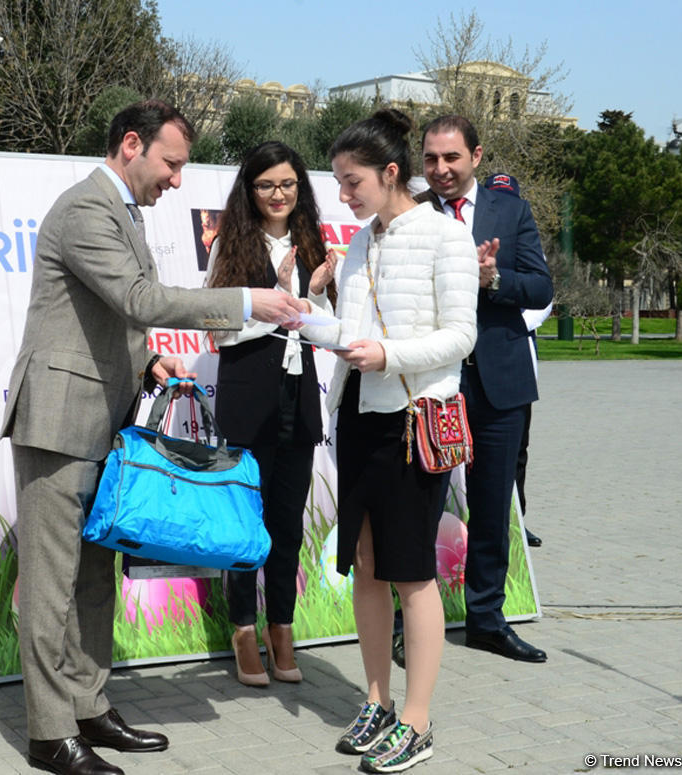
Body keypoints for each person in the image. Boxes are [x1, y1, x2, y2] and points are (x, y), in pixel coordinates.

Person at [0, 100, 303, 775]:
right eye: (170, 163)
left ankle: (88, 705)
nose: (175, 179)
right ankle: (50, 732)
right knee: (53, 584)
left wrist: (145, 361)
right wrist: (250, 300)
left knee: (94, 579)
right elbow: (138, 299)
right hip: (57, 419)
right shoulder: (86, 209)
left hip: (103, 419)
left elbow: (110, 316)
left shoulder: (123, 213)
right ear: (130, 144)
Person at [299, 108, 478, 773]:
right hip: (360, 421)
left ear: (390, 172)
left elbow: (462, 336)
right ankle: (376, 700)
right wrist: (302, 312)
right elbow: (347, 337)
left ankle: (417, 719)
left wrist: (391, 354)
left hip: (413, 422)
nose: (344, 196)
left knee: (412, 573)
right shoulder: (359, 245)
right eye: (341, 184)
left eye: (353, 183)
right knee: (367, 569)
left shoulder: (443, 237)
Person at [420, 117, 553, 662]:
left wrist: (493, 280)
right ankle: (413, 624)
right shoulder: (410, 214)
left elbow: (541, 286)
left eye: (451, 158)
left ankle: (486, 620)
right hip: (430, 383)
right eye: (431, 159)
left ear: (475, 156)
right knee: (418, 507)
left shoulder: (511, 211)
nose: (441, 169)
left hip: (498, 382)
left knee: (494, 506)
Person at [205, 140, 334, 687]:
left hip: (298, 400)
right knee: (243, 523)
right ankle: (242, 629)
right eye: (265, 185)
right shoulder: (231, 247)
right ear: (249, 190)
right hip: (247, 397)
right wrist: (278, 302)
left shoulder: (312, 244)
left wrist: (312, 302)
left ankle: (282, 626)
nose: (277, 194)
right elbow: (218, 329)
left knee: (286, 523)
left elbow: (325, 327)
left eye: (286, 184)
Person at [485, 173, 550, 549]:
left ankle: (518, 520)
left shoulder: (525, 240)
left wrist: (512, 323)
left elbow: (543, 297)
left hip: (514, 357)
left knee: (517, 452)